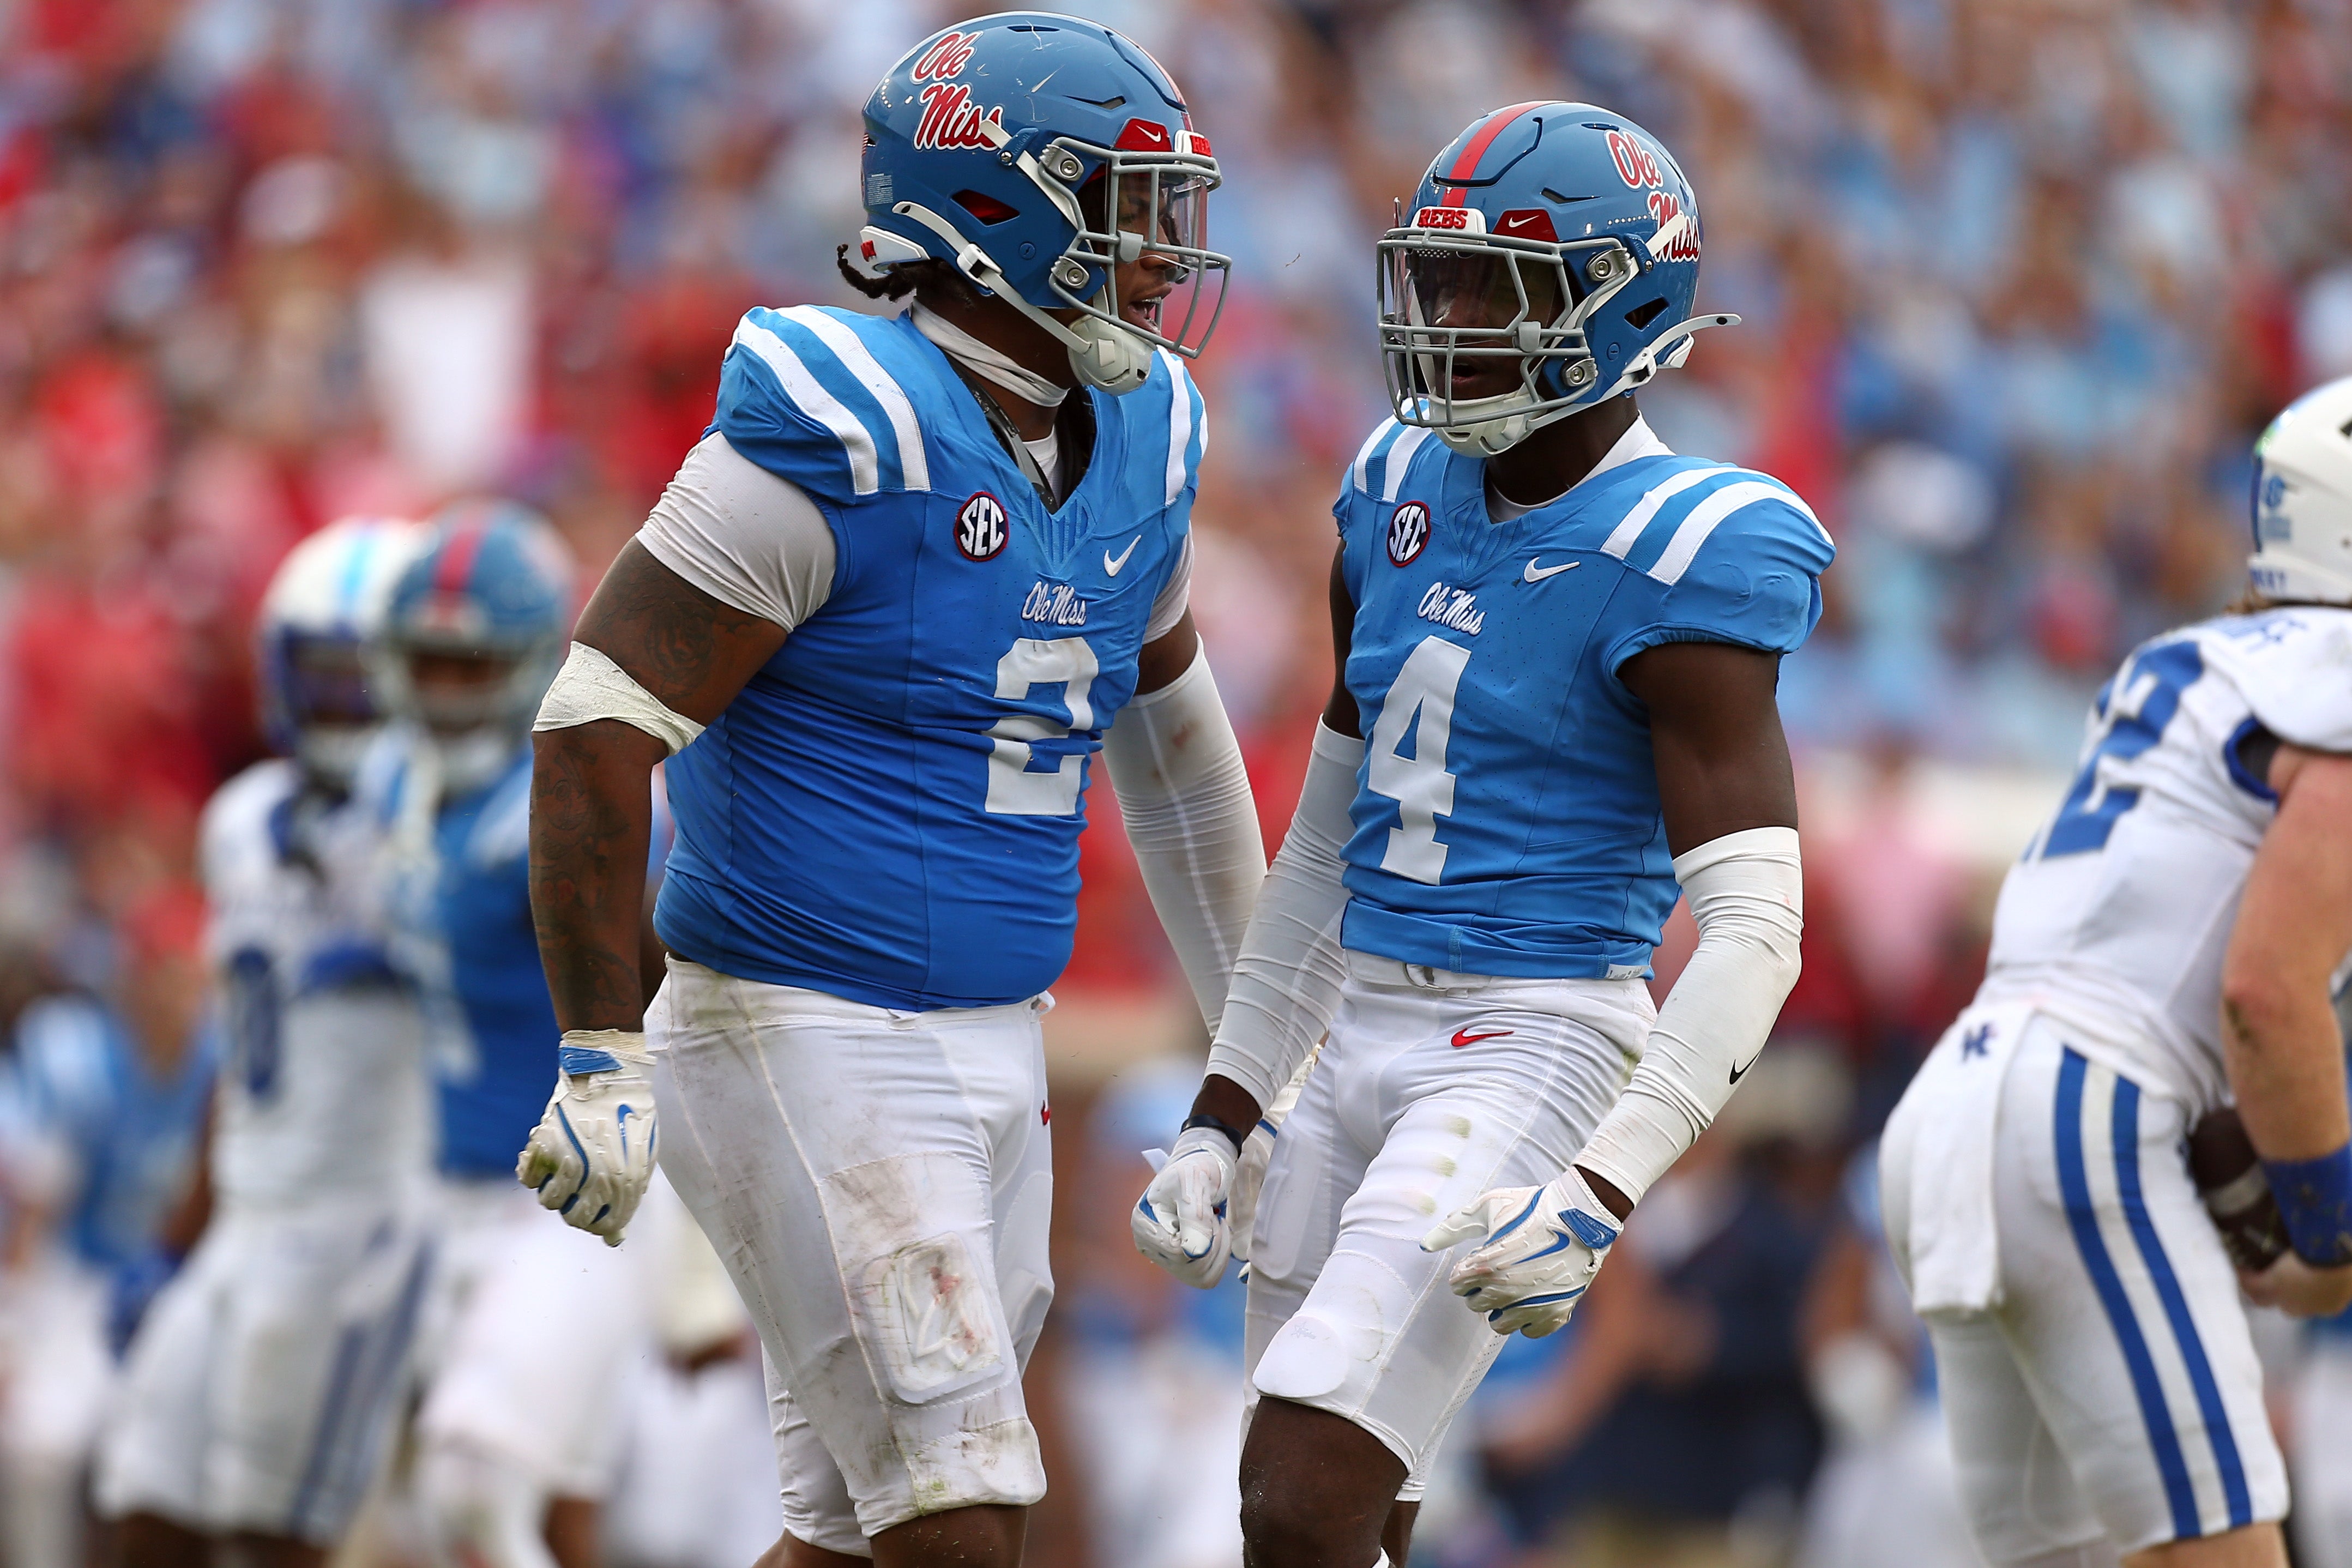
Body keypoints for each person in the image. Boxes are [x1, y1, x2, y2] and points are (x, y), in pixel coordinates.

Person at [517, 15, 1263, 1568]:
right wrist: (597, 1043)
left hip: (992, 1035)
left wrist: (1255, 1068)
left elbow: (1182, 768)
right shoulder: (840, 422)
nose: (1162, 251)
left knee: (858, 1535)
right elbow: (596, 724)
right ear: (995, 210)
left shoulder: (1141, 433)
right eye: (1124, 206)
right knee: (966, 1518)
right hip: (800, 1018)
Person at [1128, 102, 1834, 1568]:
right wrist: (1228, 1099)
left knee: (1300, 1489)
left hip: (1534, 1030)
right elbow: (1331, 828)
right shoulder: (1394, 483)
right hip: (1355, 1023)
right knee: (1344, 1503)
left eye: (1494, 288)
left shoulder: (1690, 544)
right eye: (1437, 279)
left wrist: (1598, 1185)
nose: (1449, 319)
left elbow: (1757, 931)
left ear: (1620, 305)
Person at [1879, 378, 2352, 1568]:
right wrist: (2330, 1234)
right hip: (2085, 1108)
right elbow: (2269, 992)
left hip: (1959, 1105)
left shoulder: (2201, 658)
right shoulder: (2337, 687)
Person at [94, 517, 432, 1568]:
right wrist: (174, 1238)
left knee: (271, 1533)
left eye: (364, 678)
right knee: (141, 1511)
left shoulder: (439, 830)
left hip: (357, 1223)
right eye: (323, 676)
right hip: (246, 1214)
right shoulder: (241, 820)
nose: (342, 704)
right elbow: (241, 1055)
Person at [364, 501, 654, 1568]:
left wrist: (699, 1264)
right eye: (428, 663)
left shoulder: (574, 800)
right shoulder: (397, 782)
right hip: (439, 1186)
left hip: (572, 1195)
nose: (444, 691)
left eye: (470, 664)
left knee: (474, 1485)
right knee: (534, 1515)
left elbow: (675, 1010)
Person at [0, 886, 218, 1568]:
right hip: (81, 1278)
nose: (181, 998)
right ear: (132, 976)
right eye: (167, 976)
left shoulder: (227, 1057)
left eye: (194, 980)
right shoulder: (72, 1052)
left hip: (186, 1283)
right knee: (39, 1445)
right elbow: (35, 1211)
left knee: (196, 1465)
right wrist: (13, 1325)